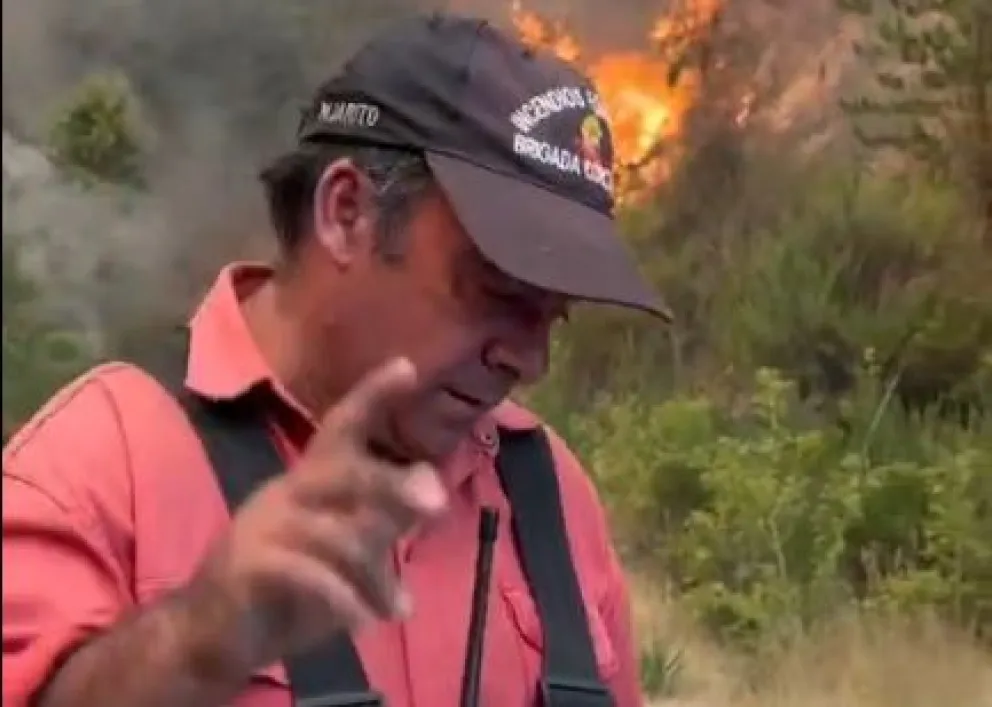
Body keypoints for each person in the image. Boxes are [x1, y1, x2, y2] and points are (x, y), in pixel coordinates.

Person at [2, 12, 671, 707]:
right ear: (347, 212)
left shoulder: (549, 496)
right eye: (497, 292)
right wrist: (198, 641)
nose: (528, 359)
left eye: (554, 313)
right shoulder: (101, 469)